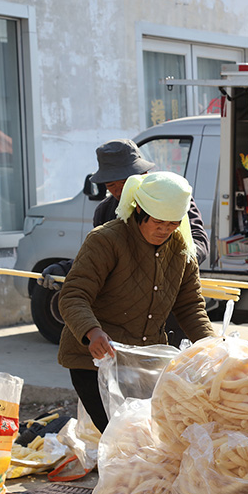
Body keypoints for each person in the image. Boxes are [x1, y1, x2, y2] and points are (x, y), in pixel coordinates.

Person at [57, 171, 216, 433]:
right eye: (158, 222)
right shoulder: (106, 240)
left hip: (144, 362)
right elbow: (74, 294)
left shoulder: (180, 249)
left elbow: (190, 306)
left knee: (149, 440)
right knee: (123, 437)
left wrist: (213, 348)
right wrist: (92, 332)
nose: (164, 230)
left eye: (173, 223)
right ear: (140, 210)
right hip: (96, 362)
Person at [40, 139, 209, 347]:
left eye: (125, 182)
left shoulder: (170, 199)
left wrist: (169, 261)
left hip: (162, 313)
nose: (120, 191)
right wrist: (66, 267)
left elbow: (197, 245)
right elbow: (96, 260)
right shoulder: (105, 212)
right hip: (116, 325)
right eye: (112, 185)